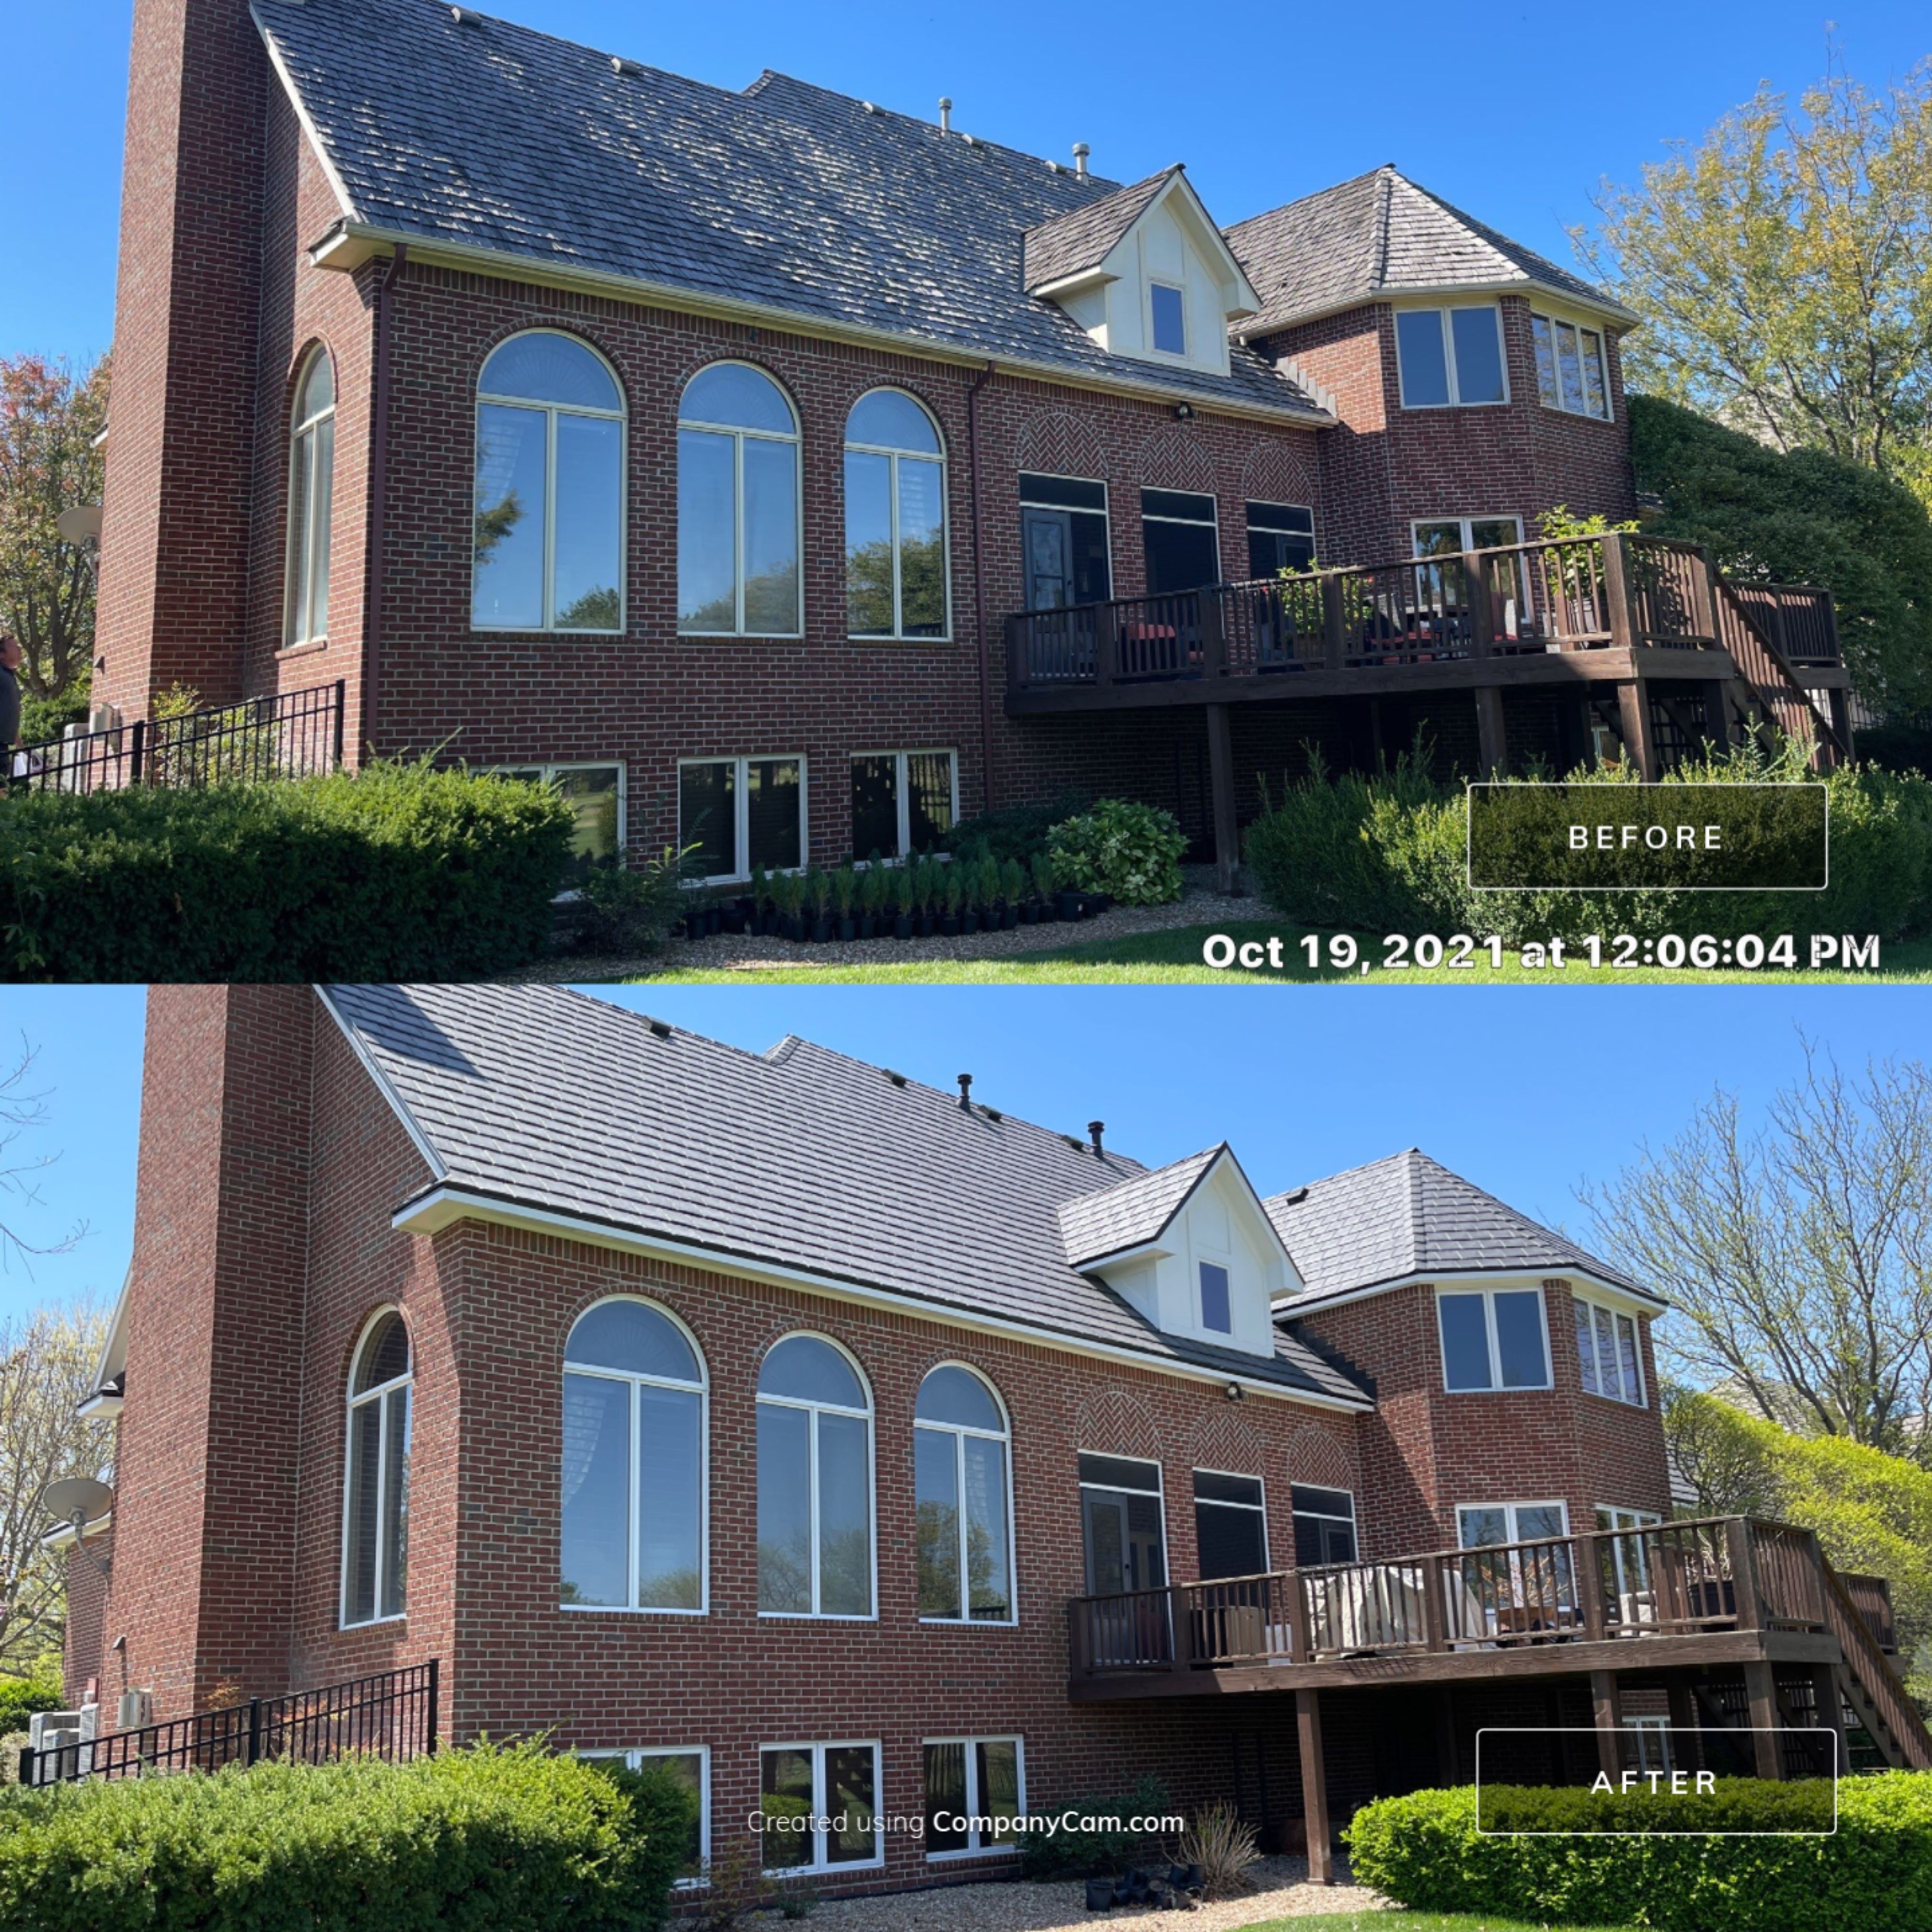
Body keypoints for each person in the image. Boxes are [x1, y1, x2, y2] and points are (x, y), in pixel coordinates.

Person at [0, 634, 21, 763]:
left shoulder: (8, 676)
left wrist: (21, 747)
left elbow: (10, 715)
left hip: (4, 744)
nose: (19, 649)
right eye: (14, 646)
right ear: (1, 655)